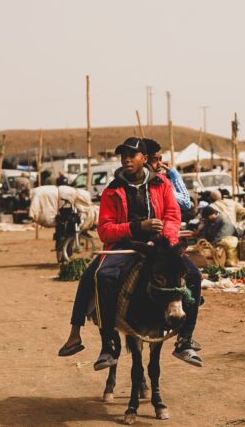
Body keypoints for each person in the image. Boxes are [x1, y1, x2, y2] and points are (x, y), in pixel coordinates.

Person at [59, 137, 202, 368]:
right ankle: (108, 346)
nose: (126, 160)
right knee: (100, 276)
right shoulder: (112, 191)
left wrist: (166, 242)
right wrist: (137, 227)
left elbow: (173, 217)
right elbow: (105, 230)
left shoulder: (162, 184)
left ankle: (184, 340)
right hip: (123, 247)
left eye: (132, 155)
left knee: (193, 275)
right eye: (123, 156)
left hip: (159, 247)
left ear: (144, 159)